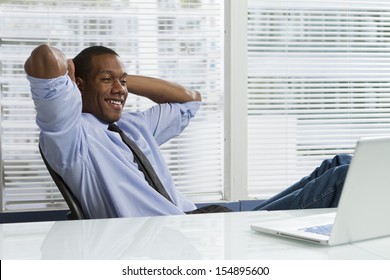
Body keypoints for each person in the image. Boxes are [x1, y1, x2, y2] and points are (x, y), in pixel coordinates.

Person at [25, 44, 350, 219]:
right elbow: (44, 59)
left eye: (122, 80)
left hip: (199, 219)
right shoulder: (73, 137)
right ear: (77, 84)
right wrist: (72, 71)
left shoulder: (133, 126)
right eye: (106, 79)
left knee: (339, 162)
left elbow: (189, 99)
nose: (121, 89)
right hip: (175, 236)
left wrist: (118, 78)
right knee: (343, 177)